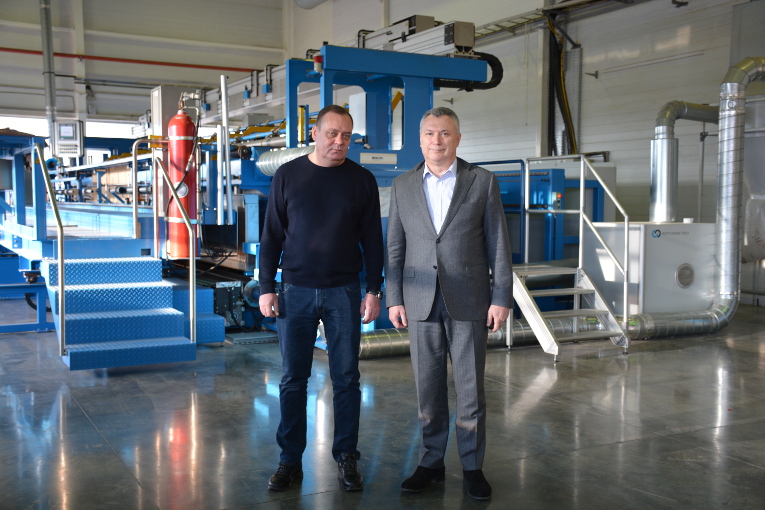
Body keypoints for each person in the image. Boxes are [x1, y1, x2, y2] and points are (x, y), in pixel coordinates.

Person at [386, 106, 513, 501]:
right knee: (429, 388)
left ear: (457, 139)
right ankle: (431, 462)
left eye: (444, 134)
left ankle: (472, 467)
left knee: (471, 388)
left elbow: (498, 244)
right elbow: (394, 247)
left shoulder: (482, 182)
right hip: (419, 299)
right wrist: (393, 298)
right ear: (419, 139)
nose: (436, 141)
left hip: (470, 298)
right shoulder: (403, 185)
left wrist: (501, 297)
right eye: (429, 134)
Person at [258, 104, 384, 492]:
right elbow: (272, 236)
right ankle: (289, 461)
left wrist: (374, 290)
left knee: (346, 378)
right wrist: (265, 287)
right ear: (314, 134)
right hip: (294, 290)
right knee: (293, 380)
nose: (339, 141)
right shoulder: (288, 175)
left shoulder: (362, 180)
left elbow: (373, 241)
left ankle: (347, 457)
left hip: (344, 291)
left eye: (346, 135)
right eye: (332, 133)